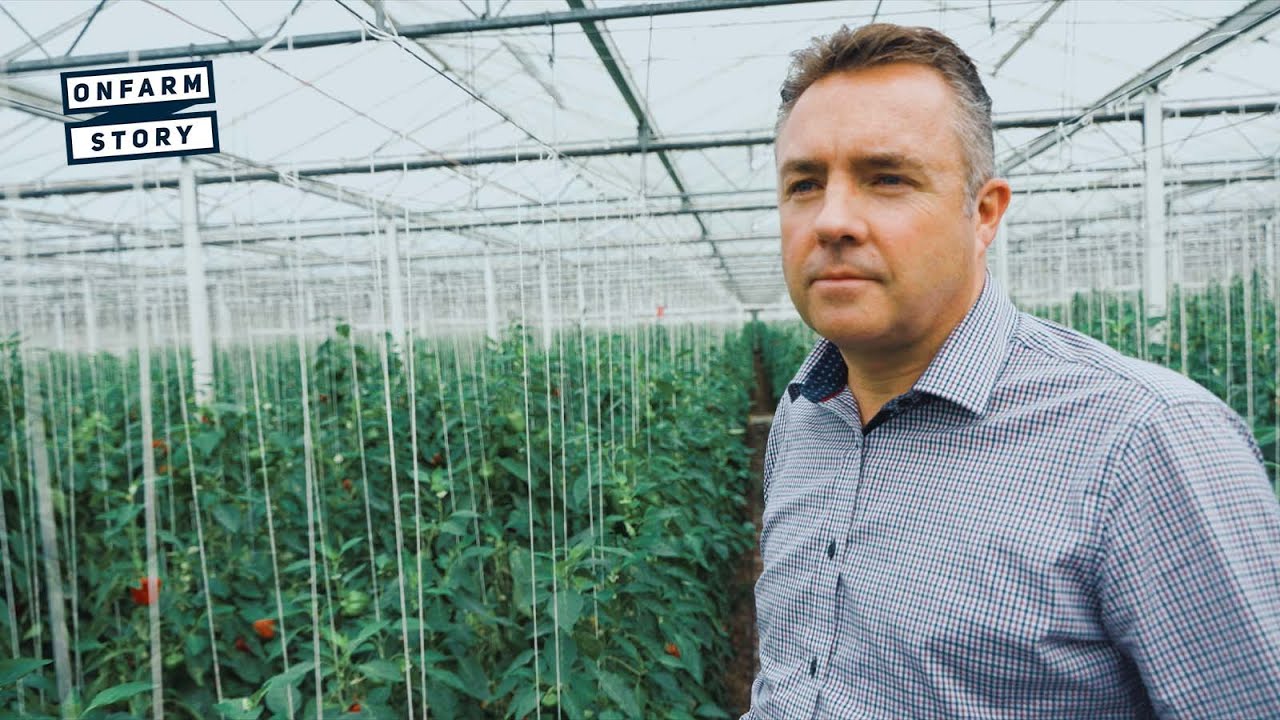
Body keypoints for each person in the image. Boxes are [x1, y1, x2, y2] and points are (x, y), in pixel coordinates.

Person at [746, 22, 1280, 719]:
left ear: (984, 213)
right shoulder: (805, 415)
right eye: (804, 184)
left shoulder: (1147, 442)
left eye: (887, 179)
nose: (832, 220)